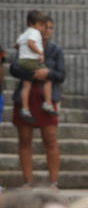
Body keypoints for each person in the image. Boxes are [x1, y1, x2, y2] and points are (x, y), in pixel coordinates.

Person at [10, 13, 64, 189]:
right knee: (24, 139)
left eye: (50, 27)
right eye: (43, 26)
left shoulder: (56, 50)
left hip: (46, 96)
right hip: (25, 94)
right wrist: (33, 74)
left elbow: (61, 75)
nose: (46, 31)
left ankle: (54, 181)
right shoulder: (26, 44)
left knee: (51, 139)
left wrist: (48, 73)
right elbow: (14, 68)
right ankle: (28, 181)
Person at [13, 9, 55, 119]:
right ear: (32, 24)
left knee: (26, 84)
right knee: (47, 78)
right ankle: (47, 103)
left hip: (22, 60)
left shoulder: (25, 33)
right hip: (31, 60)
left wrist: (22, 50)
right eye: (41, 25)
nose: (42, 28)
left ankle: (25, 109)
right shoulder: (34, 32)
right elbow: (30, 43)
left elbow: (16, 45)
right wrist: (40, 53)